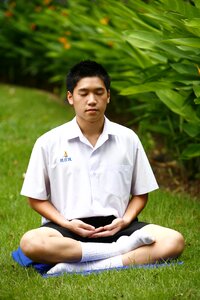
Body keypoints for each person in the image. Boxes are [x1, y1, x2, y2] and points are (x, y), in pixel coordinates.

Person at [19, 60, 184, 274]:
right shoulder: (48, 142)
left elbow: (141, 194)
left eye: (98, 92)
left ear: (108, 95)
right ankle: (121, 252)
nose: (92, 100)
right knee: (31, 243)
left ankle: (87, 265)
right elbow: (36, 198)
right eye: (83, 93)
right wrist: (67, 224)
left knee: (174, 241)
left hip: (118, 227)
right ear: (70, 97)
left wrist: (124, 221)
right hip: (66, 229)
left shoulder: (128, 138)